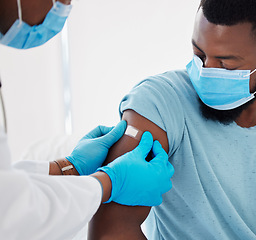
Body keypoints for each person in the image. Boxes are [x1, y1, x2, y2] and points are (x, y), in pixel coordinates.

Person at [88, 0, 256, 239]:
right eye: (199, 55)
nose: (205, 73)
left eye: (226, 64)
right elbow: (111, 232)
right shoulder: (159, 103)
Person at [0, 0, 174, 239]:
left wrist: (67, 167)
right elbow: (14, 215)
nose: (63, 6)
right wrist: (108, 182)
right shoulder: (156, 98)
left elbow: (5, 188)